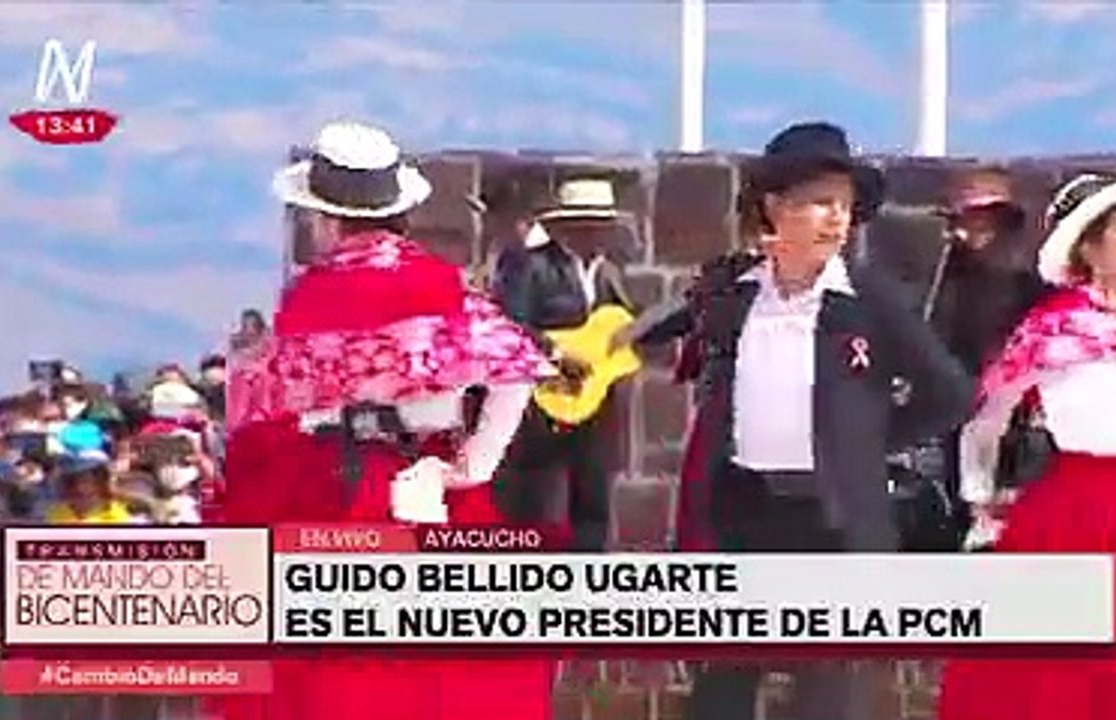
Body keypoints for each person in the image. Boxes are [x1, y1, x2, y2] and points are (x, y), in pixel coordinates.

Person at [215, 121, 555, 720]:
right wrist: (474, 466)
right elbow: (518, 368)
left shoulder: (307, 301)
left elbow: (258, 409)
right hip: (429, 491)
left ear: (323, 219)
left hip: (327, 496)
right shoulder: (444, 288)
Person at [639, 121, 973, 720]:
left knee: (827, 697)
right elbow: (643, 339)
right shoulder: (735, 294)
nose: (835, 220)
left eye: (844, 206)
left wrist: (870, 444)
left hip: (836, 522)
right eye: (820, 202)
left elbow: (949, 392)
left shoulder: (870, 299)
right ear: (775, 208)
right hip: (744, 515)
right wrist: (704, 294)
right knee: (721, 695)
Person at [937, 173, 1116, 719]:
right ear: (1090, 248)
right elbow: (986, 418)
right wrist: (982, 501)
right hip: (1086, 515)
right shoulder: (1052, 330)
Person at [490, 175, 644, 551]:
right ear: (566, 226)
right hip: (543, 402)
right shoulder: (532, 266)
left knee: (592, 503)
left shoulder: (608, 274)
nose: (595, 233)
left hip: (595, 405)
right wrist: (558, 356)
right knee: (532, 504)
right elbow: (508, 324)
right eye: (586, 224)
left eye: (600, 225)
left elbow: (616, 329)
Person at [914, 168, 1049, 550]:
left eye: (987, 222)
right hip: (951, 407)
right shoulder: (940, 278)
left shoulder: (1030, 288)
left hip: (1011, 413)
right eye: (969, 221)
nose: (976, 233)